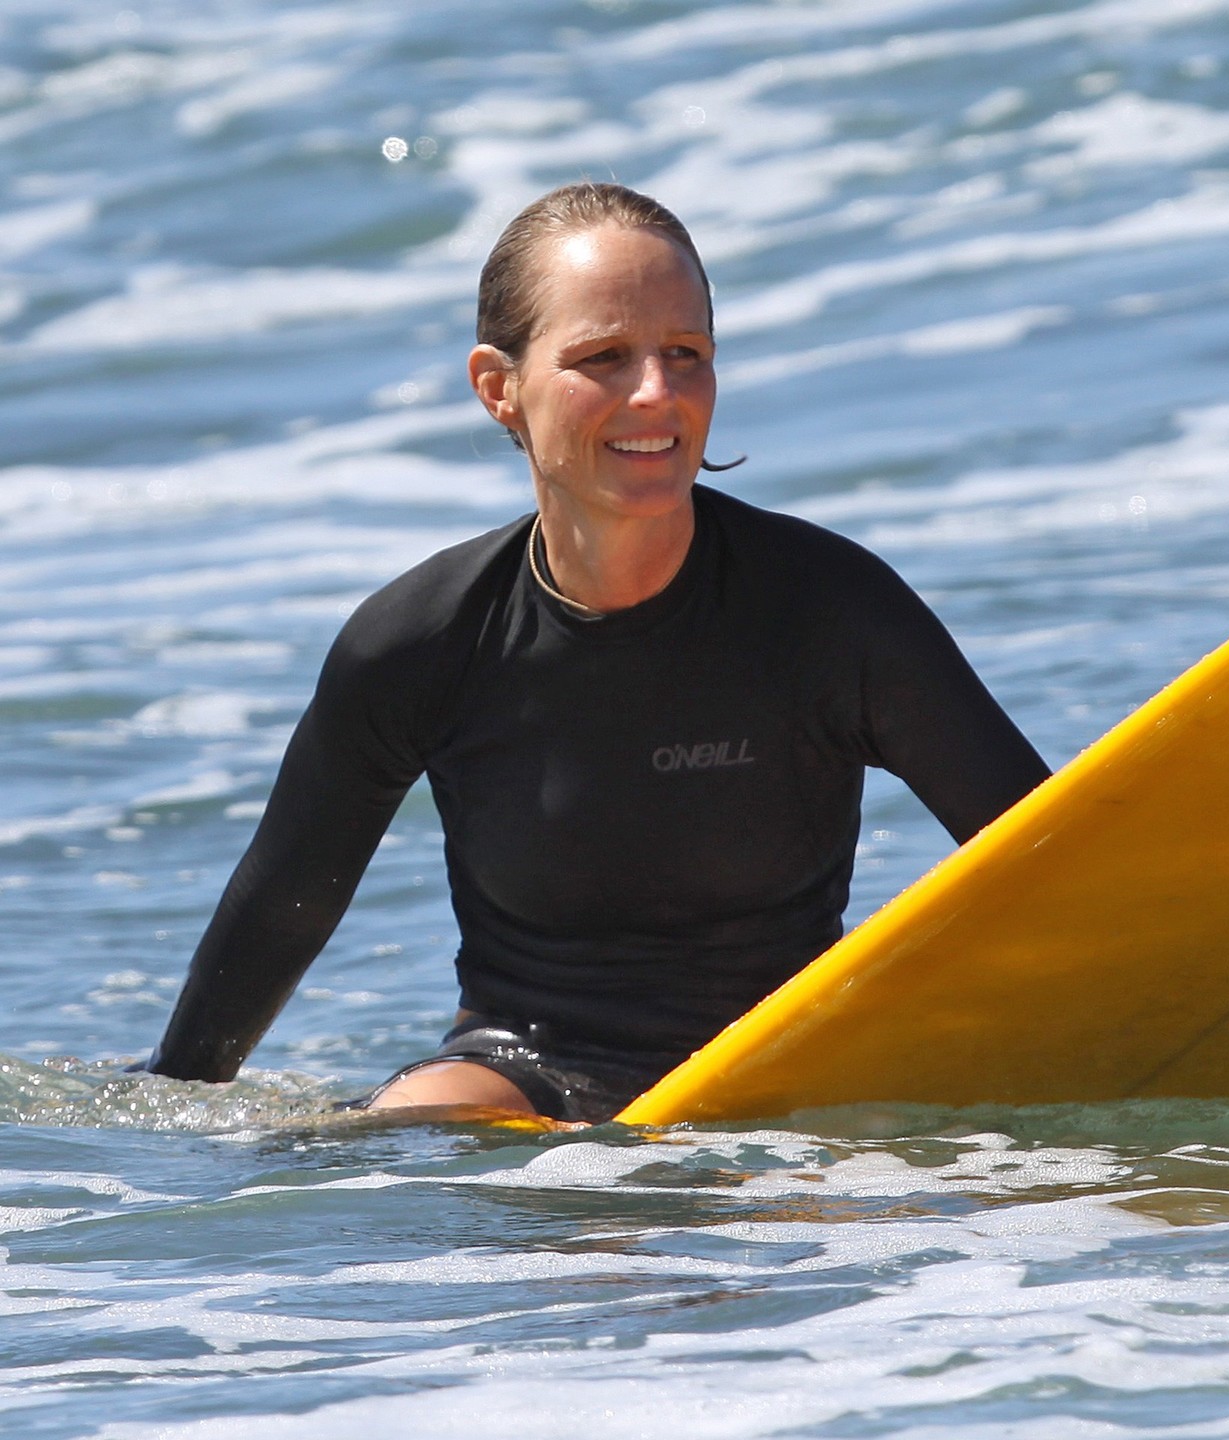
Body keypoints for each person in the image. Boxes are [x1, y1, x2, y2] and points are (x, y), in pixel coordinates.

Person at [144, 183, 1050, 1123]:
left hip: (784, 1062)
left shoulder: (828, 611)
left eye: (685, 355)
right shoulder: (423, 642)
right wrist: (164, 1130)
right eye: (605, 357)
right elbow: (284, 909)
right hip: (525, 1067)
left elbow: (1043, 858)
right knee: (392, 1136)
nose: (655, 393)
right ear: (499, 387)